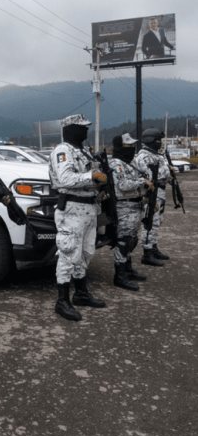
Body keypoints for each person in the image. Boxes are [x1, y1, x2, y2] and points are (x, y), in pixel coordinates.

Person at [48, 114, 107, 321]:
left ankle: (81, 293)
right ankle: (62, 301)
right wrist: (91, 176)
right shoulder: (63, 150)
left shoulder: (83, 152)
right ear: (70, 129)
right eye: (81, 128)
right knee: (68, 253)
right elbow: (65, 178)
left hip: (89, 208)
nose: (86, 131)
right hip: (72, 208)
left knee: (86, 252)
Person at [109, 133, 153, 290]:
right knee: (124, 240)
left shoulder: (130, 163)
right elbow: (123, 185)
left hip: (136, 205)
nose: (132, 149)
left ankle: (127, 269)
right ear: (120, 148)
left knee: (132, 240)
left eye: (133, 146)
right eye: (128, 147)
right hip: (124, 207)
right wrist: (142, 182)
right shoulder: (116, 164)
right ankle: (119, 275)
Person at [133, 128, 172, 266]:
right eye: (157, 140)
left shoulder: (157, 155)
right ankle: (147, 252)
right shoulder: (143, 156)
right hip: (151, 193)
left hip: (160, 192)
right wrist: (166, 172)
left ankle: (154, 247)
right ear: (150, 140)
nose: (160, 143)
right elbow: (150, 175)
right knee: (150, 221)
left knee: (157, 221)